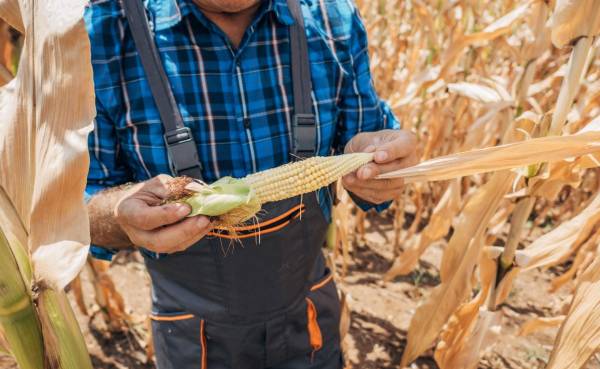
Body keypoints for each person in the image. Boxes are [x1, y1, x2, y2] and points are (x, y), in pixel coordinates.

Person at [83, 0, 417, 368]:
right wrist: (118, 216)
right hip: (194, 337)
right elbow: (76, 207)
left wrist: (381, 165)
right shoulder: (102, 33)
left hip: (307, 318)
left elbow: (369, 144)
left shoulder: (330, 16)